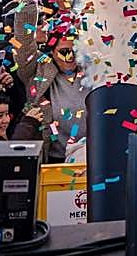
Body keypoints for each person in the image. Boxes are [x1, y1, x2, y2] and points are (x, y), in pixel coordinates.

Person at [14, 24, 90, 163]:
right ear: (53, 52)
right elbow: (24, 49)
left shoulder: (92, 71)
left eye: (75, 50)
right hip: (55, 158)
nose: (70, 56)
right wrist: (27, 5)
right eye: (64, 51)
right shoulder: (39, 72)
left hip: (93, 154)